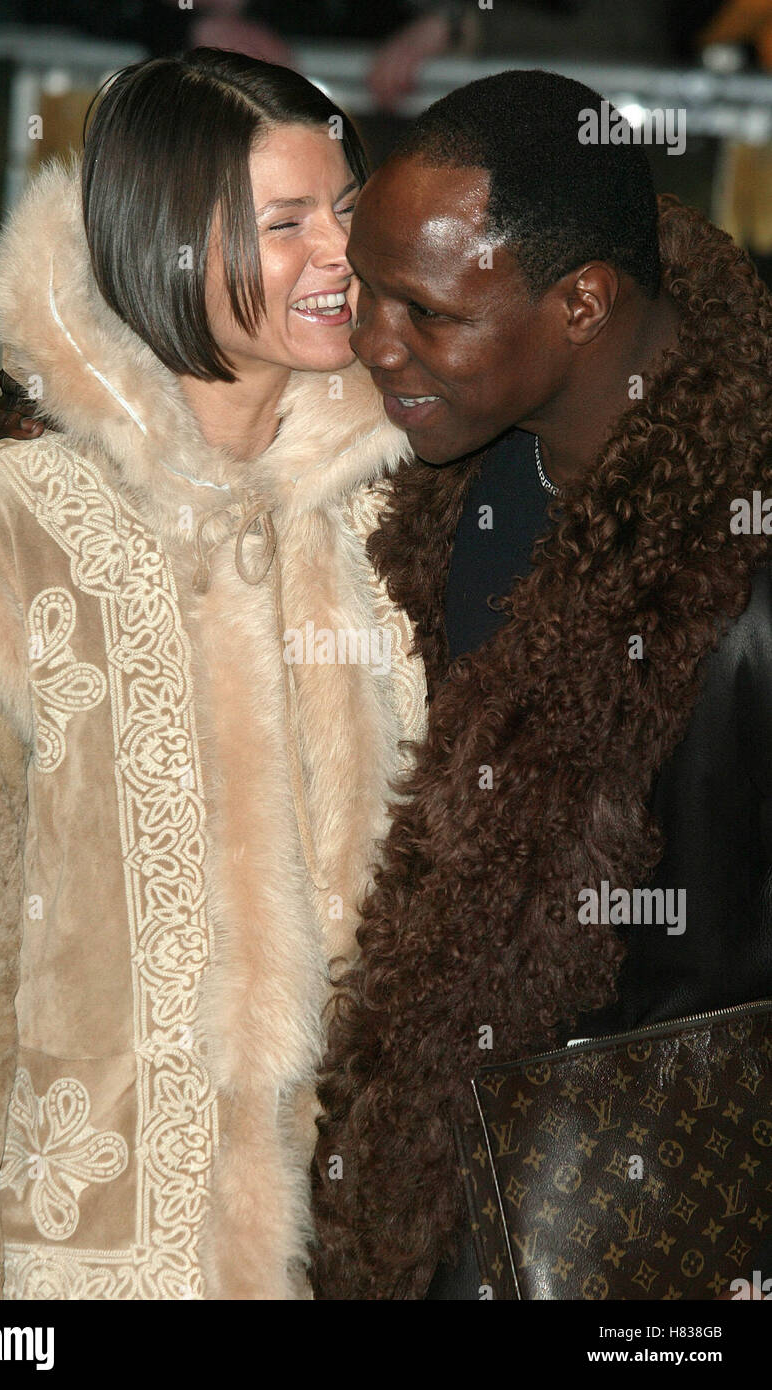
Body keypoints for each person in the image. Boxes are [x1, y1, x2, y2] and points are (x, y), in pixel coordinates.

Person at [0, 49, 426, 1301]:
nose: (339, 254)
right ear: (167, 246)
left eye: (346, 209)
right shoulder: (0, 532)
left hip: (353, 1246)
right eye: (287, 222)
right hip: (84, 1259)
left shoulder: (405, 512)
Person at [311, 69, 772, 1299]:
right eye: (364, 288)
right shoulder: (440, 475)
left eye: (424, 310)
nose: (369, 340)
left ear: (581, 303)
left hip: (651, 1246)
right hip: (434, 1217)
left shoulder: (739, 572)